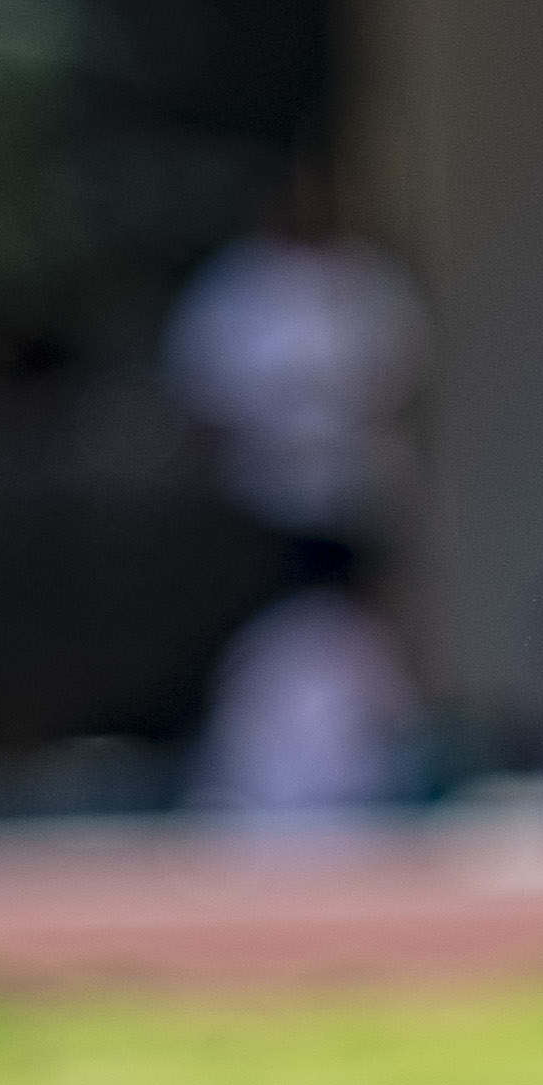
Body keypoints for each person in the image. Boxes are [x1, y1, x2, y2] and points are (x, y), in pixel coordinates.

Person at [168, 157, 434, 827]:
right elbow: (203, 401)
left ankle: (364, 766)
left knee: (360, 633)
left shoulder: (371, 284)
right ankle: (255, 771)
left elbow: (403, 384)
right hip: (264, 498)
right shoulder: (236, 289)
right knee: (271, 636)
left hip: (354, 491)